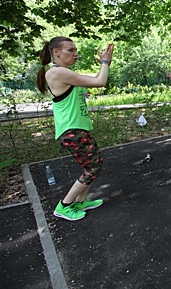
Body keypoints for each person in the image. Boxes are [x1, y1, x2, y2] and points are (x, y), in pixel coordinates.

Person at [35, 36, 114, 221]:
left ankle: (80, 201)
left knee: (93, 165)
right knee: (93, 168)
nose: (75, 53)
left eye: (75, 50)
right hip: (72, 131)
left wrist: (103, 66)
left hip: (78, 129)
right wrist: (105, 62)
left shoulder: (63, 73)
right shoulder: (56, 72)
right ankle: (65, 205)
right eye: (70, 50)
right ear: (56, 52)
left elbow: (94, 81)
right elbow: (100, 81)